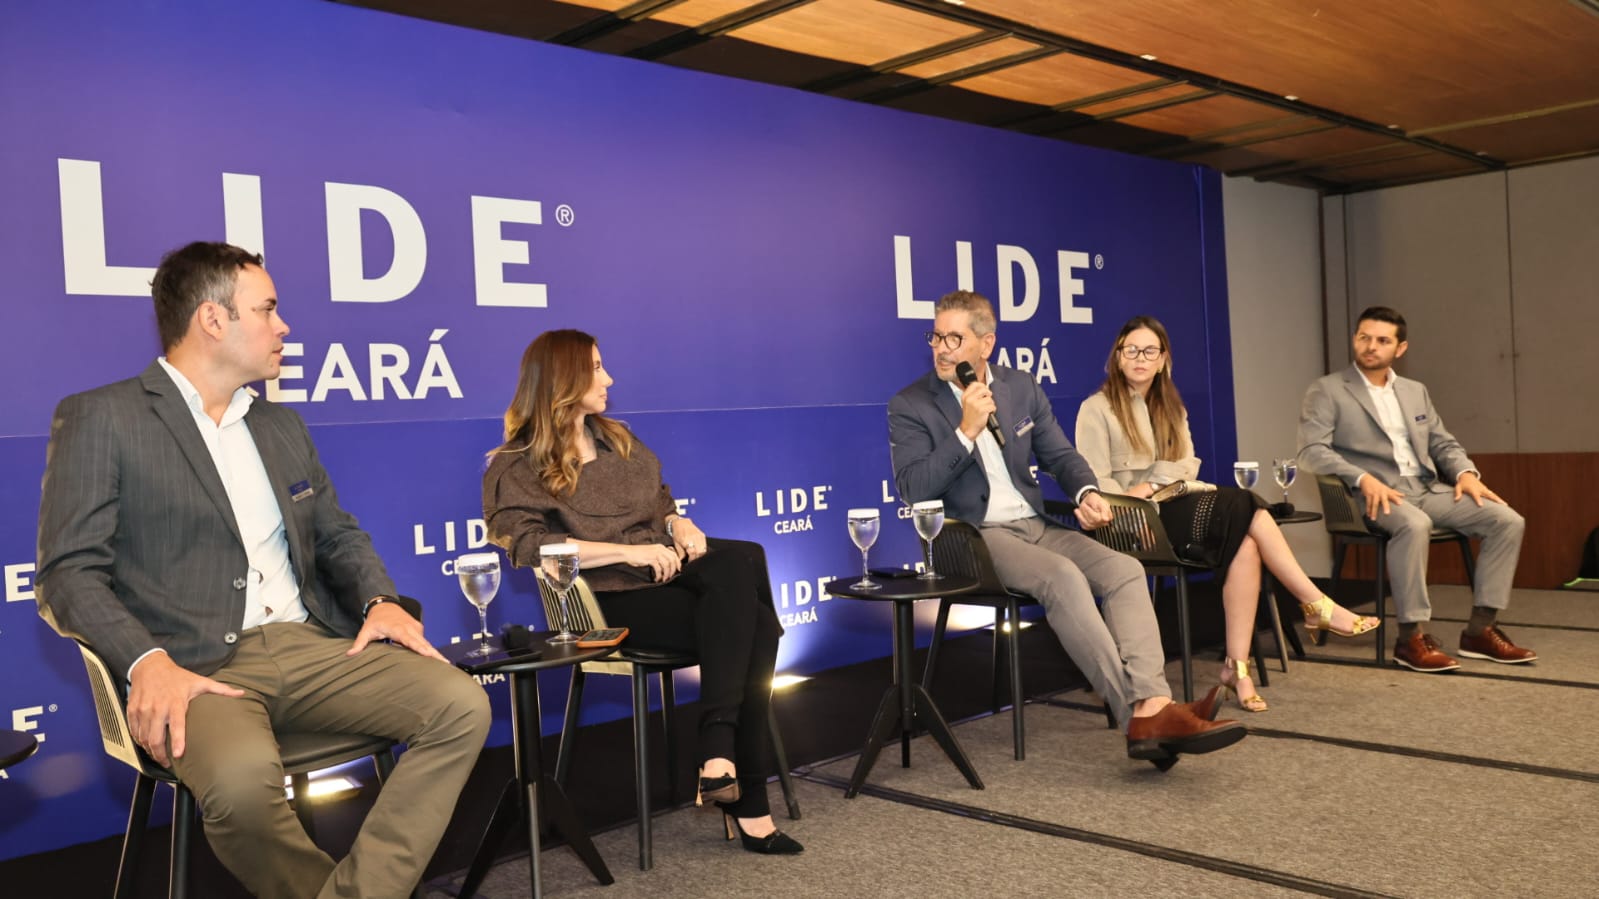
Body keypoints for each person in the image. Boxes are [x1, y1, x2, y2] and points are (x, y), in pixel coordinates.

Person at [36, 242, 492, 899]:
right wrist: (146, 661)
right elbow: (67, 573)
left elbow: (336, 533)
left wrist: (379, 600)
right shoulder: (104, 416)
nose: (284, 326)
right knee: (243, 787)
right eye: (267, 309)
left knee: (461, 704)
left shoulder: (279, 424)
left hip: (311, 647)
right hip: (194, 666)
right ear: (212, 319)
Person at [887, 290, 1245, 767]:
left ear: (986, 344)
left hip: (1035, 524)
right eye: (936, 337)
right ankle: (1142, 716)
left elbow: (1060, 455)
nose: (942, 349)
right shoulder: (911, 403)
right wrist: (966, 431)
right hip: (973, 537)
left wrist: (1087, 492)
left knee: (1123, 570)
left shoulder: (1019, 387)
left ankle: (1153, 702)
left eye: (955, 338)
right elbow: (913, 489)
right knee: (1062, 577)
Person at [481, 329, 800, 854]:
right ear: (563, 379)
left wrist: (678, 525)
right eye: (596, 368)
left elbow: (661, 504)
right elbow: (532, 547)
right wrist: (627, 553)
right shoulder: (517, 464)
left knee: (742, 558)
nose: (609, 379)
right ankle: (740, 791)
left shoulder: (617, 439)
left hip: (661, 576)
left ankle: (719, 755)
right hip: (603, 604)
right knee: (758, 627)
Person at [1075, 315, 1380, 712]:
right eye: (1130, 350)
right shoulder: (1096, 409)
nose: (1140, 358)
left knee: (1246, 543)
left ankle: (1237, 669)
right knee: (1244, 504)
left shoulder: (1172, 408)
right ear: (1117, 357)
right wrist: (1141, 502)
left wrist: (1149, 485)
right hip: (1130, 522)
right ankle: (1314, 603)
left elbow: (1188, 466)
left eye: (1149, 351)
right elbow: (1095, 483)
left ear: (1163, 359)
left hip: (1170, 506)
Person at [1298, 306, 1533, 672]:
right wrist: (1361, 478)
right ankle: (1410, 638)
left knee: (1507, 520)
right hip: (1370, 495)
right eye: (1364, 337)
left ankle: (1480, 631)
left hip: (1426, 489)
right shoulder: (1327, 390)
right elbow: (1311, 451)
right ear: (1354, 339)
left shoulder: (1414, 391)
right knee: (1414, 524)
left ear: (1400, 348)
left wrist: (1466, 473)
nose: (1371, 346)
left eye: (1382, 340)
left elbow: (1442, 443)